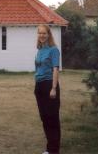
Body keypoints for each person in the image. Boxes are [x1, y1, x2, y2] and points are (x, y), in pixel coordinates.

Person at [34, 24, 61, 154]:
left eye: (44, 33)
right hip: (39, 86)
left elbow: (55, 69)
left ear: (49, 34)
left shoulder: (53, 50)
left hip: (49, 85)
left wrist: (54, 88)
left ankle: (54, 150)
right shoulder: (39, 50)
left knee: (52, 117)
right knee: (44, 117)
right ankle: (49, 147)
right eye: (40, 33)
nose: (42, 35)